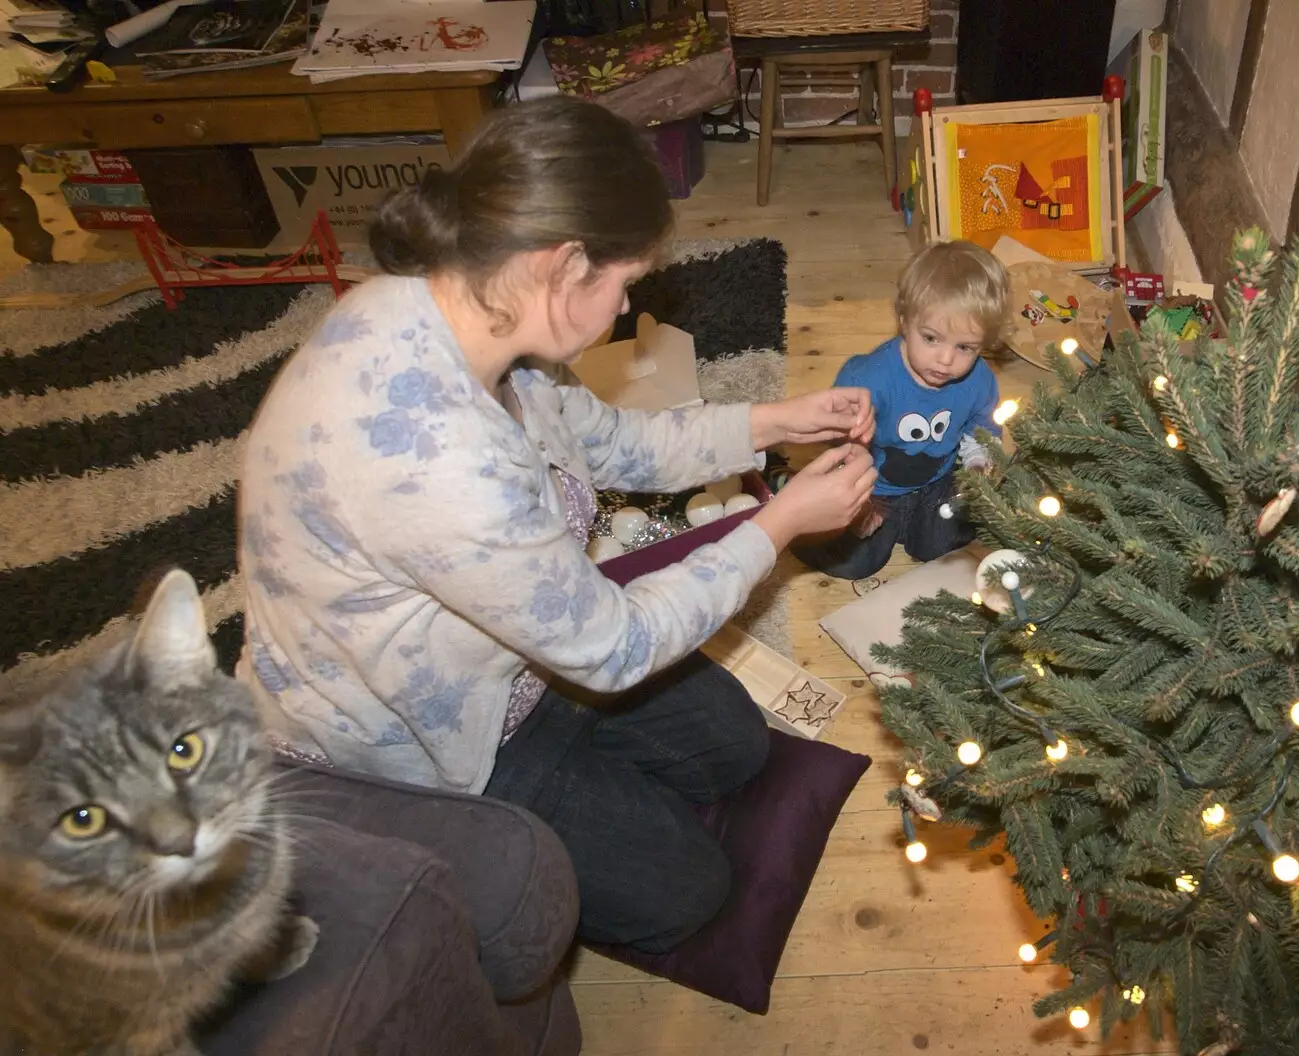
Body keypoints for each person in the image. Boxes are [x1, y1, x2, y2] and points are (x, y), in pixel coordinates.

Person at [235, 96, 878, 954]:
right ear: (563, 263)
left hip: (521, 648)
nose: (620, 312)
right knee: (687, 891)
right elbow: (612, 651)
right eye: (621, 285)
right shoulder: (434, 459)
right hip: (432, 736)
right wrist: (779, 526)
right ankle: (453, 833)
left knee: (734, 750)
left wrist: (773, 421)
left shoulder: (461, 313)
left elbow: (611, 443)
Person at [794, 240, 1006, 581]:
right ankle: (793, 512)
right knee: (856, 563)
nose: (946, 359)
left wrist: (978, 464)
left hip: (937, 484)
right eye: (932, 338)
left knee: (944, 548)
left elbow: (981, 428)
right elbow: (841, 448)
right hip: (873, 488)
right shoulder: (867, 379)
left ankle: (922, 527)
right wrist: (860, 503)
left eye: (965, 347)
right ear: (904, 320)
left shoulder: (979, 380)